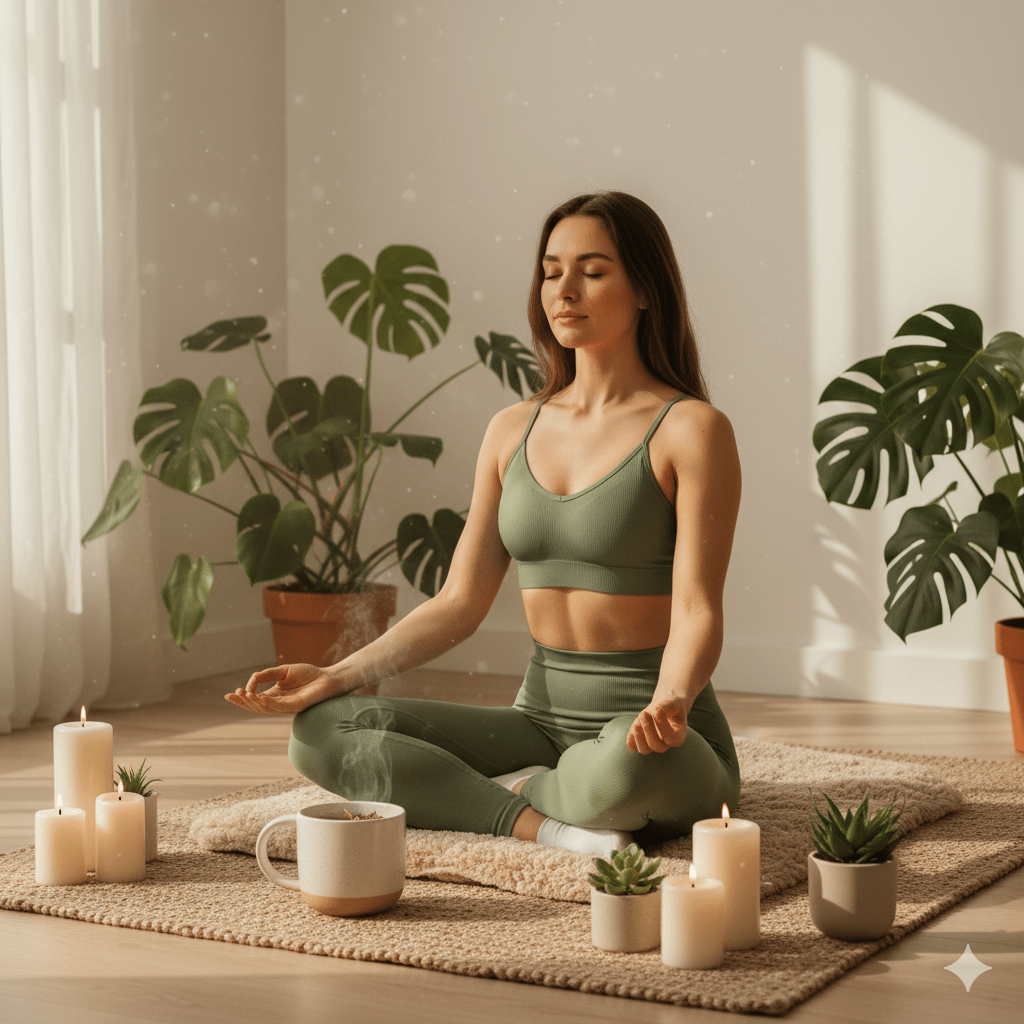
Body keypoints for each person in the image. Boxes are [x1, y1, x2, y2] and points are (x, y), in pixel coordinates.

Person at [227, 191, 742, 857]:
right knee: (322, 731)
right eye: (551, 272)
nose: (564, 290)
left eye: (592, 270)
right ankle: (541, 822)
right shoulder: (510, 429)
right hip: (538, 722)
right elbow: (459, 602)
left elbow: (699, 607)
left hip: (652, 731)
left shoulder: (692, 429)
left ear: (646, 290)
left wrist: (671, 700)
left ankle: (492, 791)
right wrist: (336, 675)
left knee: (626, 767)